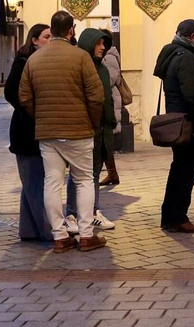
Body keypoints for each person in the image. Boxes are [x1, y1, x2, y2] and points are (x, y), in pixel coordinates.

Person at [18, 10, 107, 253]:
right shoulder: (80, 57)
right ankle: (87, 234)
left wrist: (41, 116)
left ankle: (59, 236)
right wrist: (92, 121)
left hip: (48, 132)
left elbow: (24, 96)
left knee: (52, 182)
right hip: (79, 129)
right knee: (84, 180)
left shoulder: (34, 59)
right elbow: (97, 96)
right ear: (71, 30)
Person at [154, 18, 194, 233]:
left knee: (178, 169)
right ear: (192, 36)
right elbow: (191, 93)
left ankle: (170, 216)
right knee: (186, 171)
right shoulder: (185, 58)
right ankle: (178, 217)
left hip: (178, 120)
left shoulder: (172, 53)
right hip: (189, 123)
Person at [64, 28, 116, 236]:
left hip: (103, 130)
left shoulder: (102, 68)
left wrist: (111, 122)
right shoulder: (80, 66)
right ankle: (72, 213)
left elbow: (106, 98)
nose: (103, 48)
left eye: (104, 44)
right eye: (99, 44)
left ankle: (92, 211)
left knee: (94, 173)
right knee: (78, 174)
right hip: (86, 129)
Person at [6, 23, 51, 242]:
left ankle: (28, 230)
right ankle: (45, 229)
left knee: (31, 183)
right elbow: (11, 93)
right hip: (26, 131)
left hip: (33, 129)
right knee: (35, 182)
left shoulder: (38, 62)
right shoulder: (23, 62)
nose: (50, 40)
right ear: (34, 40)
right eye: (46, 36)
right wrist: (30, 111)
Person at [100, 34, 126, 190]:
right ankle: (112, 173)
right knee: (106, 140)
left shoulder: (109, 58)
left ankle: (112, 173)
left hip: (110, 101)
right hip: (108, 101)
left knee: (106, 139)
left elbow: (109, 79)